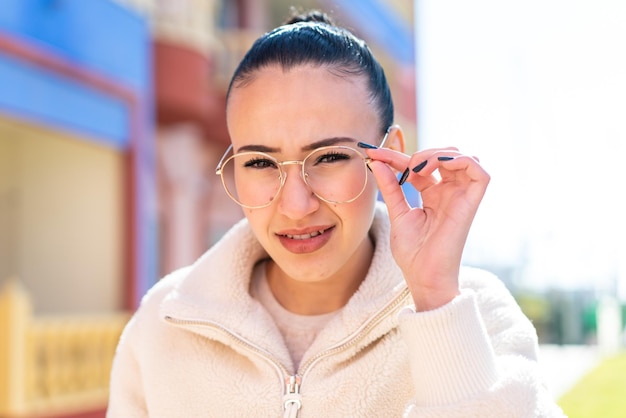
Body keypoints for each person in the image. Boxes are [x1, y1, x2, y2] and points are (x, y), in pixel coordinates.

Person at [107, 9, 565, 418]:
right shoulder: (163, 324)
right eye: (261, 163)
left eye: (328, 158)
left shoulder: (475, 312)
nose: (295, 205)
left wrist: (436, 303)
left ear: (389, 155)